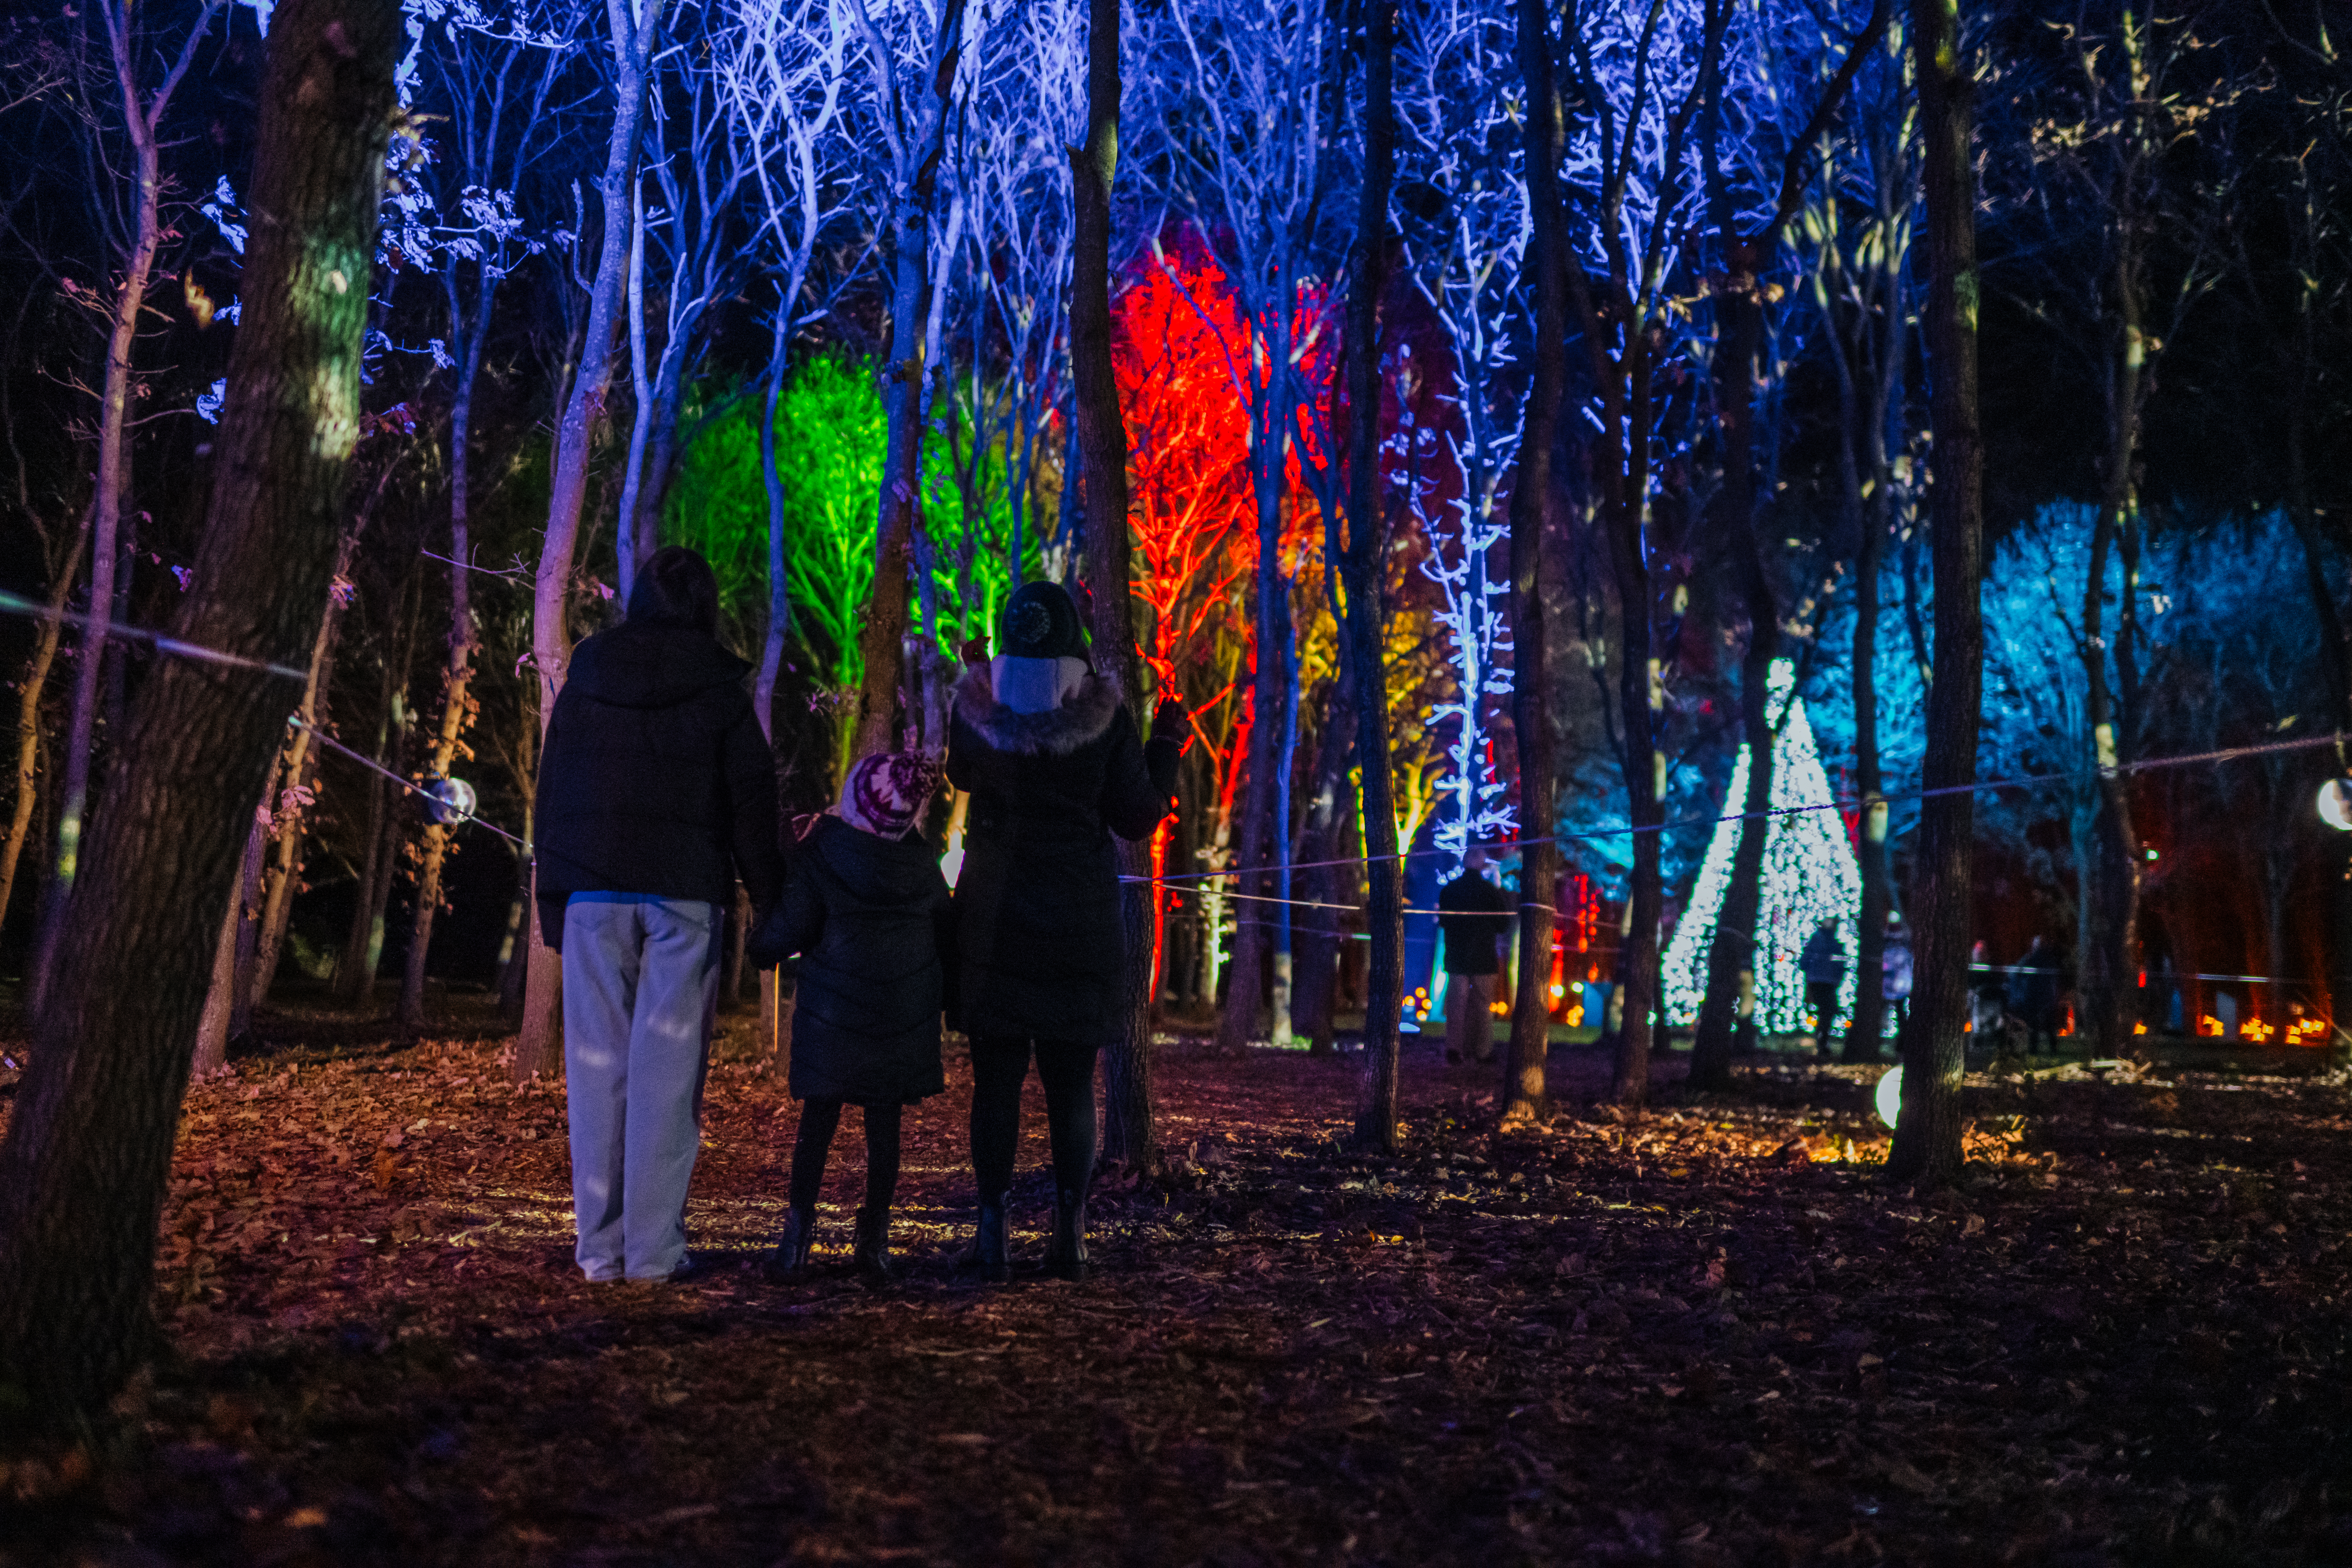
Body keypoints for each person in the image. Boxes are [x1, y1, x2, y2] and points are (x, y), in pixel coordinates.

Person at [534, 547, 783, 1284]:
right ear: (705, 606)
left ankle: (600, 1250)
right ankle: (651, 1251)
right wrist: (771, 901)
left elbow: (554, 793)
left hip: (593, 891)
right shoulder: (719, 689)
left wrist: (554, 899)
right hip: (682, 894)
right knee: (667, 1078)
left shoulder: (587, 677)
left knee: (596, 1072)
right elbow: (753, 802)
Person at [948, 580, 1185, 1282]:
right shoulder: (1103, 715)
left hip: (993, 917)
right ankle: (1070, 1234)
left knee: (995, 1081)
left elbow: (960, 772)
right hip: (1077, 918)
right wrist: (1166, 746)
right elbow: (1137, 815)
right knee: (1069, 1082)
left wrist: (969, 677)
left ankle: (992, 1235)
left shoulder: (980, 708)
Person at [749, 752, 954, 1286]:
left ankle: (796, 1240)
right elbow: (948, 937)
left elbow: (786, 931)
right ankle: (874, 1243)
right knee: (884, 1129)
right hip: (900, 1021)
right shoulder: (924, 868)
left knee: (817, 1125)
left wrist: (761, 939)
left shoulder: (822, 854)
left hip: (831, 1019)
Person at [1436, 846, 1514, 1064]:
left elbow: (1444, 922)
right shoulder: (1490, 892)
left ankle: (1454, 1049)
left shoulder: (1450, 890)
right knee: (1483, 1006)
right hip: (1483, 956)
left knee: (1456, 1006)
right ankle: (1482, 1051)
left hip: (1457, 955)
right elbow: (1502, 925)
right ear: (1482, 864)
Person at [1800, 920, 1847, 1057]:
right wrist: (1838, 977)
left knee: (1826, 1012)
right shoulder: (1834, 943)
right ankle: (1823, 1043)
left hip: (1817, 982)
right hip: (1827, 983)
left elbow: (1804, 963)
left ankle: (1822, 1041)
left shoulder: (1816, 941)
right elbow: (1841, 963)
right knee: (1828, 1012)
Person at [2013, 935, 2061, 1055]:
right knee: (2048, 1025)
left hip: (2035, 996)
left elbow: (2019, 973)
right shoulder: (2049, 959)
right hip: (2044, 996)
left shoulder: (2032, 958)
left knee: (2036, 1025)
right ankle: (2053, 1050)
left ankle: (2035, 1050)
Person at [1881, 913, 1915, 1041]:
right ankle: (1899, 1040)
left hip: (1900, 984)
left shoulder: (1904, 944)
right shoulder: (1888, 942)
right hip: (1890, 983)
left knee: (1900, 1013)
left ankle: (1902, 1042)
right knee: (1896, 1012)